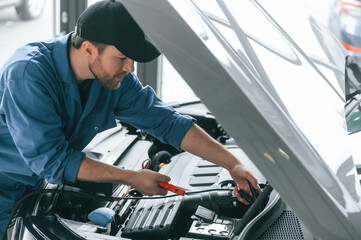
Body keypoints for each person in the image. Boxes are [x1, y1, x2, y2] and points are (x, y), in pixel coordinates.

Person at [0, 0, 260, 237]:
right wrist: (132, 177)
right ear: (89, 49)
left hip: (30, 186)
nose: (130, 67)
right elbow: (55, 162)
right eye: (122, 58)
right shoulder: (27, 75)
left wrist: (233, 164)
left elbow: (167, 122)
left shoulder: (111, 80)